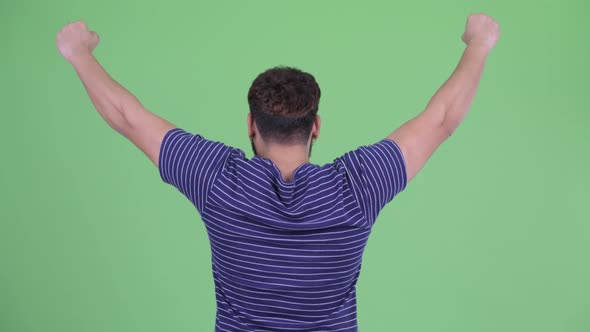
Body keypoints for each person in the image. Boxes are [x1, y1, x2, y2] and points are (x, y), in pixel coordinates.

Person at [56, 13, 500, 331]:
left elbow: (128, 117)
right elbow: (442, 119)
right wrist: (478, 43)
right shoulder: (358, 187)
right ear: (317, 127)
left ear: (251, 125)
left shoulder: (218, 182)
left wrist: (79, 53)